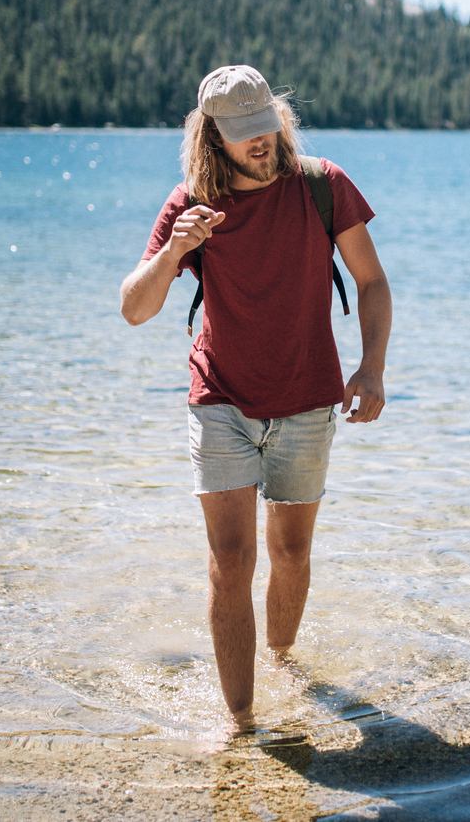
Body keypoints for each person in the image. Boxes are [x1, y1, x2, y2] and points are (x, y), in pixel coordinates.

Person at [120, 64, 392, 731]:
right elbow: (134, 308)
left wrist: (373, 369)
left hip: (306, 400)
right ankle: (241, 725)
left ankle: (281, 664)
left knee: (292, 553)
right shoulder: (190, 203)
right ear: (213, 136)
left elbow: (372, 282)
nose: (260, 142)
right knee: (231, 559)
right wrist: (172, 252)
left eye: (265, 126)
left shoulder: (322, 186)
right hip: (221, 400)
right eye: (243, 134)